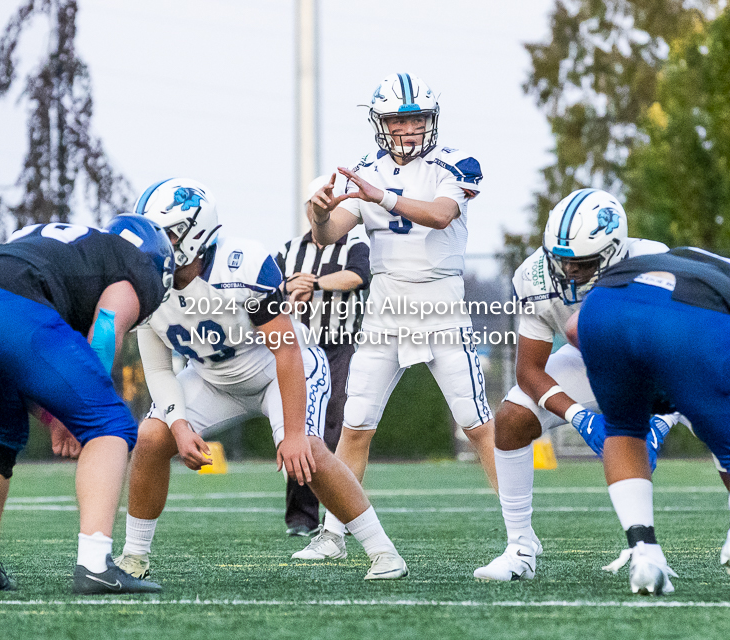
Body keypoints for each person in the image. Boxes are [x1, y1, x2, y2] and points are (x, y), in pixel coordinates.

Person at [116, 178, 407, 581]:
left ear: (197, 230)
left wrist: (292, 434)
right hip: (212, 377)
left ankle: (384, 552)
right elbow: (161, 368)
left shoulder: (243, 263)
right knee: (150, 438)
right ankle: (134, 558)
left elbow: (286, 350)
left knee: (310, 452)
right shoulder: (146, 281)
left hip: (278, 369)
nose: (158, 244)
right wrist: (179, 426)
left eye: (169, 232)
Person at [294, 72, 499, 561]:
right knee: (355, 424)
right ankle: (333, 535)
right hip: (385, 308)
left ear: (430, 121)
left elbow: (440, 214)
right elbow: (327, 235)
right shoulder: (366, 168)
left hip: (440, 302)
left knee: (476, 424)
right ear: (380, 124)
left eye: (415, 119)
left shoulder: (454, 163)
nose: (408, 130)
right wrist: (318, 211)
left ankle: (520, 535)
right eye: (397, 120)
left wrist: (378, 196)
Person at [0, 215, 174, 593]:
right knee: (110, 423)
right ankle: (95, 565)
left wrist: (55, 411)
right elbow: (106, 325)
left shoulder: (63, 248)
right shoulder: (132, 261)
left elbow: (21, 362)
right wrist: (79, 414)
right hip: (10, 309)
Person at [474, 189, 675, 582]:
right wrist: (580, 417)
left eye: (581, 264)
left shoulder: (651, 263)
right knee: (511, 418)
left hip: (653, 362)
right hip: (587, 361)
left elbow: (689, 354)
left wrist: (662, 422)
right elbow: (529, 370)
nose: (568, 273)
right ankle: (520, 547)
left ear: (615, 251)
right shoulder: (533, 276)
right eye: (561, 260)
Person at [568, 246, 730, 596]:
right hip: (693, 316)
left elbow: (572, 329)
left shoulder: (705, 264)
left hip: (602, 308)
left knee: (624, 428)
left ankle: (644, 554)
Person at [275, 176, 371, 537]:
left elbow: (358, 277)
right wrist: (289, 286)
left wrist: (312, 282)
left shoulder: (353, 245)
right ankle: (300, 517)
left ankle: (339, 515)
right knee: (302, 427)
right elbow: (266, 287)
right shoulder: (287, 250)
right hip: (300, 346)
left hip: (342, 345)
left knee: (336, 425)